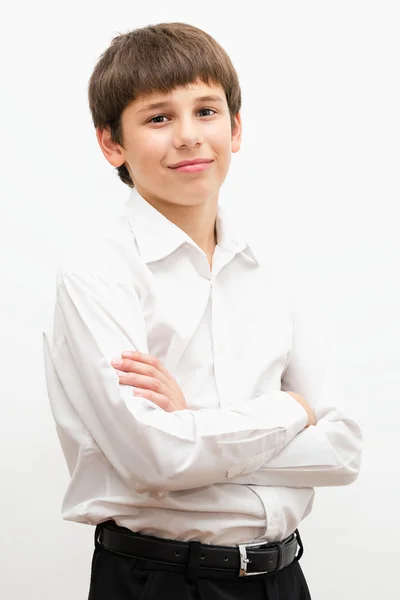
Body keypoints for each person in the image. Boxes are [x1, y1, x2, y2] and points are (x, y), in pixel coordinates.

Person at [42, 22, 363, 600]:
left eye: (207, 111)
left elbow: (342, 450)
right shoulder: (96, 272)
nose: (189, 136)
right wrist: (291, 409)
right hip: (157, 580)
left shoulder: (275, 270)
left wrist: (195, 426)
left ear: (235, 128)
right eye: (159, 118)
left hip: (282, 579)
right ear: (112, 144)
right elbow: (155, 459)